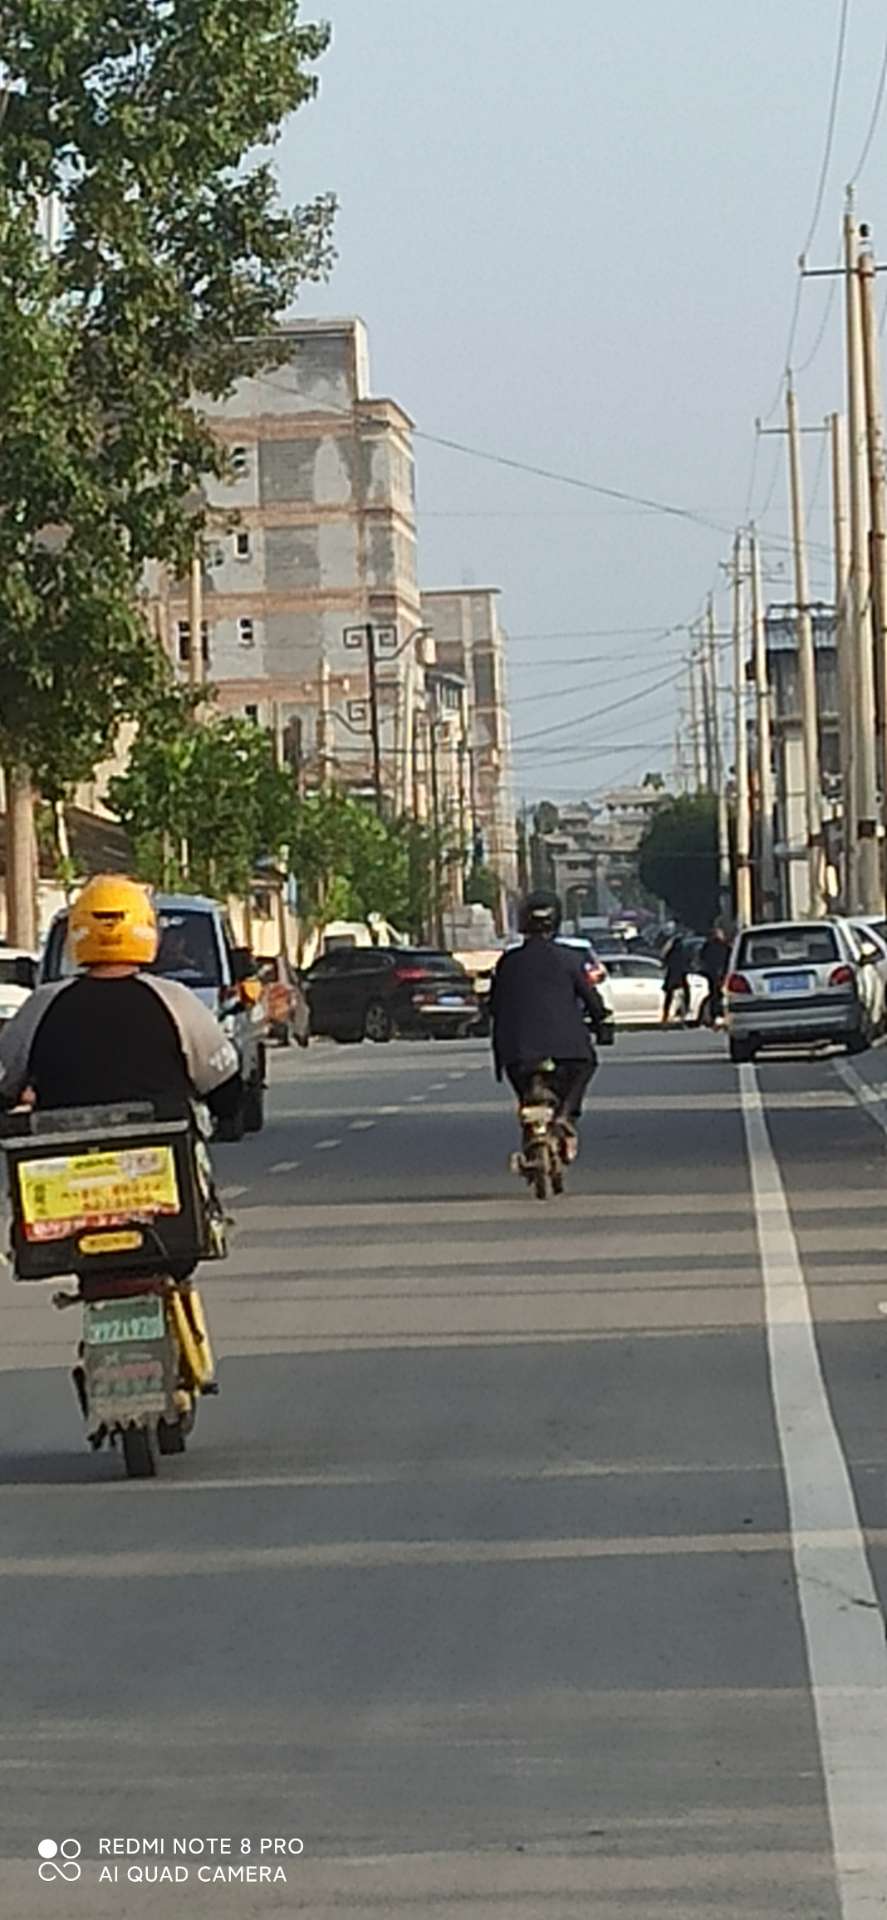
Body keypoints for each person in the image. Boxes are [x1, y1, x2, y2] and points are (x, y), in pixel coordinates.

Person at [0, 874, 241, 1122]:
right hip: (161, 1150)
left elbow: (5, 1083)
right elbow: (225, 1090)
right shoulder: (176, 1001)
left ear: (76, 929)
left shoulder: (41, 1005)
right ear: (148, 928)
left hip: (62, 1152)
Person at [489, 890, 608, 1161]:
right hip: (569, 1050)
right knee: (585, 1065)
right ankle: (566, 1114)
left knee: (523, 1088)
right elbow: (591, 999)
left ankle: (532, 1120)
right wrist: (602, 1023)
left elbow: (494, 1006)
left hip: (517, 1051)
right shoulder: (570, 958)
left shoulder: (509, 962)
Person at [698, 925, 730, 1028]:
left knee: (715, 996)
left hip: (714, 975)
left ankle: (716, 1016)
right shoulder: (724, 946)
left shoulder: (708, 946)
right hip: (719, 975)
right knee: (718, 996)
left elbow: (702, 959)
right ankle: (719, 1016)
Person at [661, 933, 690, 1025]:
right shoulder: (682, 953)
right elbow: (687, 963)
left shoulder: (671, 953)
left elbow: (664, 961)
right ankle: (683, 1015)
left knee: (669, 998)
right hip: (680, 976)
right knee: (684, 997)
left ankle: (665, 1016)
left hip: (672, 976)